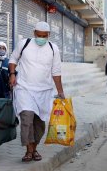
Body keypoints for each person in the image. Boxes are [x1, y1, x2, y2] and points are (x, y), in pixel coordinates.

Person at [9, 21, 65, 162]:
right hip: (24, 88)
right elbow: (13, 58)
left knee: (39, 123)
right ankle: (29, 150)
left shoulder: (53, 48)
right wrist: (12, 74)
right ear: (34, 33)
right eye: (39, 35)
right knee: (27, 118)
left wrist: (60, 91)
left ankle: (34, 148)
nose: (41, 38)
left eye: (44, 36)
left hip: (44, 91)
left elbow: (56, 71)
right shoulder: (24, 44)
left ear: (48, 35)